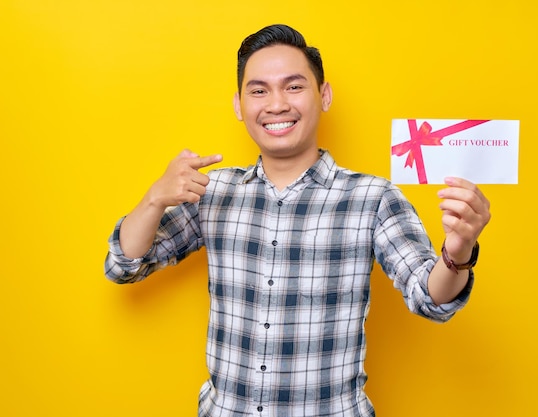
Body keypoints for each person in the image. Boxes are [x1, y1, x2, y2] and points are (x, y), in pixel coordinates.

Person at [105, 24, 491, 417]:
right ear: (239, 106)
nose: (276, 105)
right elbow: (125, 265)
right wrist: (154, 198)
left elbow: (431, 297)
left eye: (293, 86)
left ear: (324, 96)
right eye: (259, 90)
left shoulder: (373, 198)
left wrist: (457, 252)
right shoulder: (212, 192)